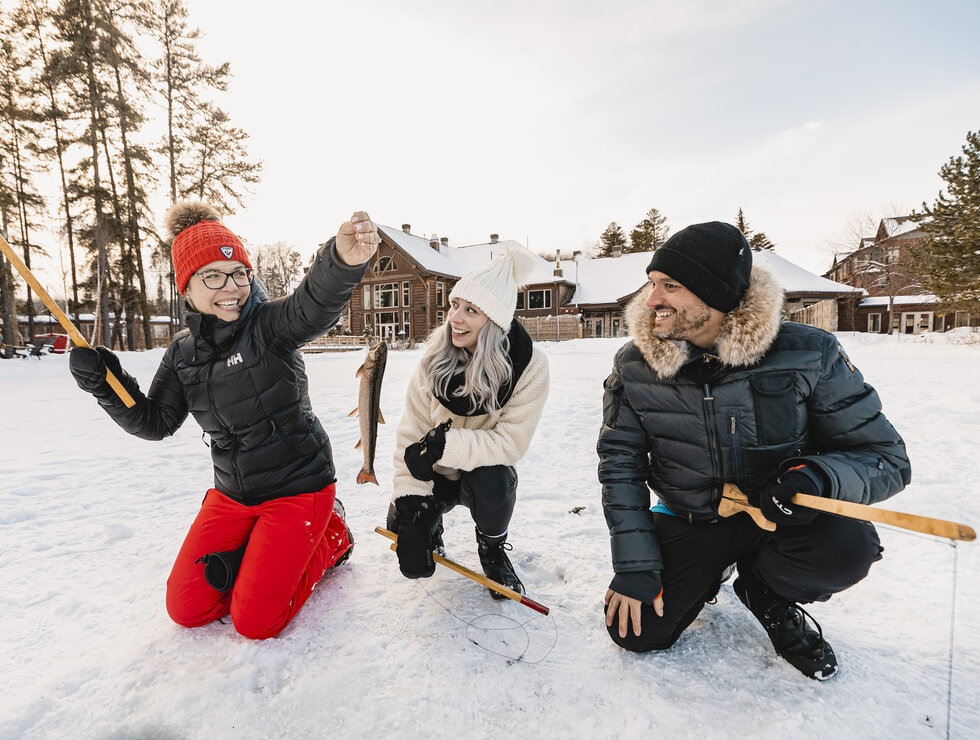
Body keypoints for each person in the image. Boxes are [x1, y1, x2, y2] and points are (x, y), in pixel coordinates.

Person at [597, 221, 911, 680]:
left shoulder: (809, 353)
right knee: (637, 631)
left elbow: (886, 458)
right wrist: (635, 564)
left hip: (782, 518)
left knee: (846, 549)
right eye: (651, 284)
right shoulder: (635, 365)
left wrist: (816, 477)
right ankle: (710, 569)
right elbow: (620, 465)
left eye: (670, 286)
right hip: (692, 516)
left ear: (718, 294)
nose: (651, 300)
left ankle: (767, 591)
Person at [69, 201, 379, 639]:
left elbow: (313, 305)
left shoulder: (270, 327)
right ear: (187, 288)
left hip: (298, 487)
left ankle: (333, 535)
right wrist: (103, 381)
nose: (230, 287)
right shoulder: (182, 353)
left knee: (255, 622)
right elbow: (154, 422)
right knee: (189, 608)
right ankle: (260, 550)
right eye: (212, 276)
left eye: (238, 274)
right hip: (233, 493)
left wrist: (341, 260)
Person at [387, 249, 550, 598]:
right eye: (454, 305)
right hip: (435, 474)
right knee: (402, 523)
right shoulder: (433, 360)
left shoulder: (529, 365)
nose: (455, 319)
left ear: (494, 321)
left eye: (471, 310)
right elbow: (410, 435)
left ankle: (491, 549)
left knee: (495, 482)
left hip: (481, 476)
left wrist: (447, 445)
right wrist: (412, 506)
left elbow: (511, 442)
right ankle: (432, 525)